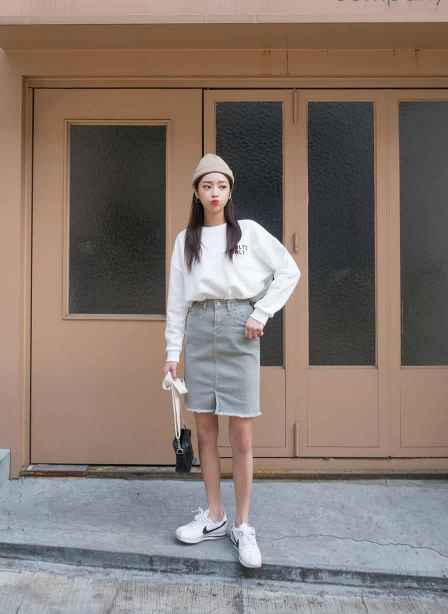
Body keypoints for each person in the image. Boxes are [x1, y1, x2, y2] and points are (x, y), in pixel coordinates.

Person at [163, 153, 301, 568]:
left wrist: (261, 313)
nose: (215, 193)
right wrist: (172, 353)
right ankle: (214, 517)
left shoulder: (250, 233)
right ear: (196, 192)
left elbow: (289, 271)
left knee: (241, 435)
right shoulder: (185, 240)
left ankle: (243, 525)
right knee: (206, 433)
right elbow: (176, 302)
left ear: (229, 191)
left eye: (221, 186)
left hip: (240, 329)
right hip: (200, 329)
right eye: (207, 186)